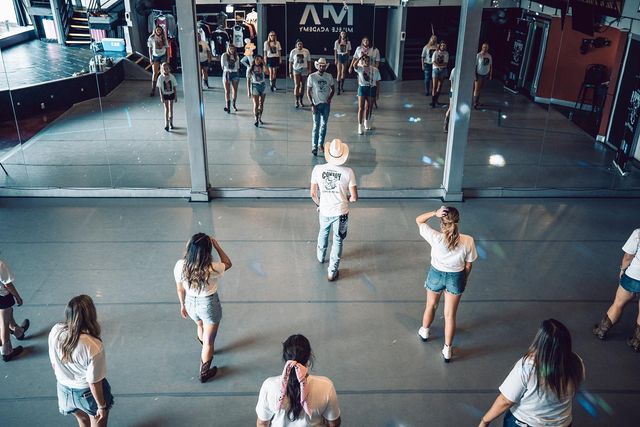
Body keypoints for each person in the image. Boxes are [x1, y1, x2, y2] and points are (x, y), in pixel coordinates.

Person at [478, 319, 585, 427]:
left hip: (526, 423)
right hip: (562, 423)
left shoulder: (528, 367)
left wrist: (485, 420)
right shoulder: (577, 363)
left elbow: (505, 401)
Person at [416, 206, 477, 362]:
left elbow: (419, 220)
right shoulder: (468, 240)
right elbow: (469, 265)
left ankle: (425, 331)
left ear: (442, 222)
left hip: (436, 274)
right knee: (450, 315)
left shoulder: (435, 237)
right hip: (456, 277)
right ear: (457, 221)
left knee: (431, 306)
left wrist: (434, 213)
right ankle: (448, 349)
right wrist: (464, 278)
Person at [174, 233, 232, 382]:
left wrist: (182, 305)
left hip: (190, 303)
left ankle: (205, 348)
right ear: (208, 251)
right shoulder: (212, 267)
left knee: (200, 324)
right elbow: (228, 263)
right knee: (209, 342)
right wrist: (217, 246)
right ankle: (204, 372)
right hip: (208, 304)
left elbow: (180, 289)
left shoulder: (180, 265)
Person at [49, 295, 114, 426]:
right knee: (97, 421)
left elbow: (54, 364)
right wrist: (101, 406)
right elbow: (94, 382)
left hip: (64, 390)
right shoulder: (93, 345)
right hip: (87, 393)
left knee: (82, 420)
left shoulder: (55, 330)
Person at [256, 334, 341, 426]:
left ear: (285, 358)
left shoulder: (269, 385)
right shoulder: (325, 385)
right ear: (308, 357)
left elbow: (262, 423)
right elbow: (333, 423)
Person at [310, 139, 358, 281]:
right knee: (337, 240)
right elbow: (354, 197)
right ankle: (332, 272)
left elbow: (313, 194)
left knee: (323, 232)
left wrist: (319, 204)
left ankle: (320, 257)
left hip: (324, 210)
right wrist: (346, 198)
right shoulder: (348, 172)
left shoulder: (318, 169)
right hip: (341, 213)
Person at [592, 228, 640, 352]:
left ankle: (601, 331)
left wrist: (622, 270)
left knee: (618, 303)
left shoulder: (638, 233)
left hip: (634, 275)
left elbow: (628, 257)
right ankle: (637, 342)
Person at [0, 258, 29, 362]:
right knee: (4, 323)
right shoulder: (0, 264)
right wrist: (17, 296)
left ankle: (18, 332)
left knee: (8, 313)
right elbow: (7, 284)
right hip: (2, 296)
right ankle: (6, 352)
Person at [307, 58, 335, 156]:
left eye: (323, 66)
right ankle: (314, 146)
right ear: (317, 66)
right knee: (316, 125)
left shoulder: (329, 76)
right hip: (316, 104)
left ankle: (320, 144)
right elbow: (308, 92)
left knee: (324, 125)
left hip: (326, 105)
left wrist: (330, 98)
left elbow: (333, 88)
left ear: (325, 67)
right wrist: (312, 104)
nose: (322, 67)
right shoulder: (312, 77)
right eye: (320, 65)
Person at [352, 55, 381, 135]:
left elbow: (378, 81)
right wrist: (360, 57)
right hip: (362, 88)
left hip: (371, 88)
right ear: (363, 61)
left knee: (368, 107)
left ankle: (366, 122)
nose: (367, 62)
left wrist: (378, 93)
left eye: (368, 61)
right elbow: (354, 65)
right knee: (361, 108)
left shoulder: (375, 70)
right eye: (365, 61)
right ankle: (359, 126)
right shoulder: (360, 68)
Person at [350, 37, 381, 109]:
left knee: (372, 85)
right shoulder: (359, 49)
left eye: (367, 40)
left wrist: (375, 69)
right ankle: (361, 98)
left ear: (369, 41)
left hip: (371, 70)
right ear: (362, 41)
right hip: (361, 69)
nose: (366, 41)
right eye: (364, 40)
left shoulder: (374, 50)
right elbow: (354, 58)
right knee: (361, 85)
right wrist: (350, 67)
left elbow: (377, 61)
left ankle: (373, 100)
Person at [289, 40, 312, 108]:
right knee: (297, 85)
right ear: (296, 45)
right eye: (298, 44)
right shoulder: (293, 51)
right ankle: (296, 101)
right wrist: (290, 72)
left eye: (301, 44)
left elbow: (309, 61)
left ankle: (301, 100)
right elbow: (290, 62)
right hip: (296, 69)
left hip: (304, 69)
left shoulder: (306, 51)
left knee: (303, 85)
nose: (300, 45)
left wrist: (309, 69)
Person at [156, 62, 178, 132]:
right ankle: (166, 124)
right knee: (166, 109)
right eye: (164, 69)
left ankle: (171, 122)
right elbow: (160, 88)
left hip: (171, 94)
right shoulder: (160, 77)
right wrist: (161, 96)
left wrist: (175, 95)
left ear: (169, 69)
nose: (166, 70)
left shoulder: (172, 77)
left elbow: (174, 86)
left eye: (167, 69)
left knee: (171, 108)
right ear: (162, 70)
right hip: (165, 94)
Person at [148, 25, 169, 97]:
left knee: (164, 72)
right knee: (155, 73)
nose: (159, 31)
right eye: (157, 30)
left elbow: (167, 48)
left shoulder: (164, 38)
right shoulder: (151, 38)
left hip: (163, 56)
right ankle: (153, 89)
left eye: (160, 30)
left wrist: (168, 57)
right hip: (155, 56)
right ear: (155, 30)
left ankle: (165, 88)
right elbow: (150, 48)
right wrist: (150, 58)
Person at [247, 55, 267, 127]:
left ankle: (259, 118)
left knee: (261, 103)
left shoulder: (262, 67)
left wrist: (264, 64)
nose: (258, 61)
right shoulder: (251, 68)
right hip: (255, 86)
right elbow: (248, 80)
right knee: (256, 104)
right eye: (257, 59)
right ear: (254, 60)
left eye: (260, 60)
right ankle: (256, 118)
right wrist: (248, 91)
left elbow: (267, 72)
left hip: (263, 85)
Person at [221, 44, 241, 113]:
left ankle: (234, 104)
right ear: (228, 49)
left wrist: (238, 75)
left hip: (235, 73)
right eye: (230, 49)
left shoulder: (237, 56)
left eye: (233, 49)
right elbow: (223, 65)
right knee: (227, 91)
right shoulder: (224, 55)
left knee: (235, 90)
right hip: (227, 73)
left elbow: (237, 67)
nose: (232, 50)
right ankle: (227, 106)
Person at [431, 41, 449, 108]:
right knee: (434, 86)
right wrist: (438, 66)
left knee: (440, 86)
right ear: (439, 46)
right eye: (441, 45)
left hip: (443, 70)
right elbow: (433, 61)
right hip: (436, 70)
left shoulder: (446, 53)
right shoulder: (435, 53)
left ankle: (436, 100)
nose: (443, 47)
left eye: (444, 45)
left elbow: (445, 63)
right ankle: (433, 102)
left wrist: (441, 67)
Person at [474, 43, 493, 109]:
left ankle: (477, 101)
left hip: (485, 74)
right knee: (476, 89)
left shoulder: (489, 56)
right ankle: (475, 103)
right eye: (484, 47)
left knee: (480, 89)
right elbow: (475, 66)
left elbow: (491, 66)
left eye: (486, 47)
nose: (485, 48)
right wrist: (475, 75)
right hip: (479, 74)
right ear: (482, 47)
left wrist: (490, 75)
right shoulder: (478, 55)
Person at [444, 67, 455, 132]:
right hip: (453, 91)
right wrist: (454, 90)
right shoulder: (454, 70)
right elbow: (451, 81)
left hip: (461, 92)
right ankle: (446, 124)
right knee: (451, 107)